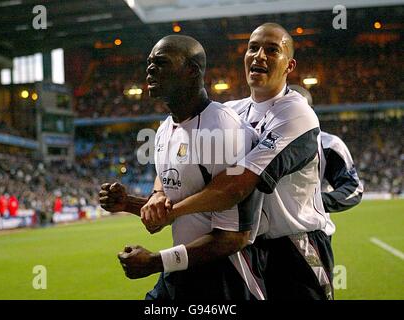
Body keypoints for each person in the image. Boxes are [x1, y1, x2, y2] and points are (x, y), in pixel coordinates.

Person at [142, 23, 334, 300]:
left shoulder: (296, 115)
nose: (259, 56)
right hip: (251, 245)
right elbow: (176, 155)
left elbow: (236, 186)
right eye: (253, 48)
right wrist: (159, 192)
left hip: (296, 243)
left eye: (271, 50)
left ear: (289, 66)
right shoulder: (233, 111)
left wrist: (173, 212)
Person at [101, 35, 267, 300]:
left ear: (192, 71)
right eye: (149, 63)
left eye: (161, 63)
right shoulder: (166, 129)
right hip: (183, 268)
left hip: (226, 278)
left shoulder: (222, 127)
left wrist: (157, 261)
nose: (150, 69)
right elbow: (175, 211)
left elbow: (235, 237)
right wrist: (129, 204)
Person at [288, 84, 364, 236]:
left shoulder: (328, 144)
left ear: (312, 111)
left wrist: (316, 202)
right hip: (264, 237)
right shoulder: (260, 142)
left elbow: (353, 188)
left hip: (312, 234)